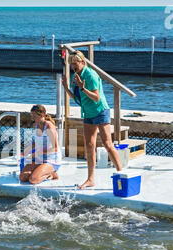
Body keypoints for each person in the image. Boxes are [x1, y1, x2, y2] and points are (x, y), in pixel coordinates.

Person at [61, 50, 122, 189]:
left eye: (75, 64)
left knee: (107, 144)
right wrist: (66, 88)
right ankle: (90, 179)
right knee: (89, 145)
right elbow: (77, 99)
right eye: (71, 64)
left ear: (83, 62)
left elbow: (96, 97)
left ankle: (121, 173)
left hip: (100, 111)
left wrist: (82, 88)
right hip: (88, 114)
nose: (73, 67)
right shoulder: (76, 77)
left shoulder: (90, 75)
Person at [19, 104, 61, 184]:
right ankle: (40, 171)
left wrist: (38, 152)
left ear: (41, 115)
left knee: (33, 179)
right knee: (22, 177)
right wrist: (26, 150)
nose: (32, 118)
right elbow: (37, 142)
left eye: (34, 116)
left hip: (51, 159)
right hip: (39, 158)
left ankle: (52, 173)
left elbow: (54, 148)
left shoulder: (49, 126)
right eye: (31, 115)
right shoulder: (37, 125)